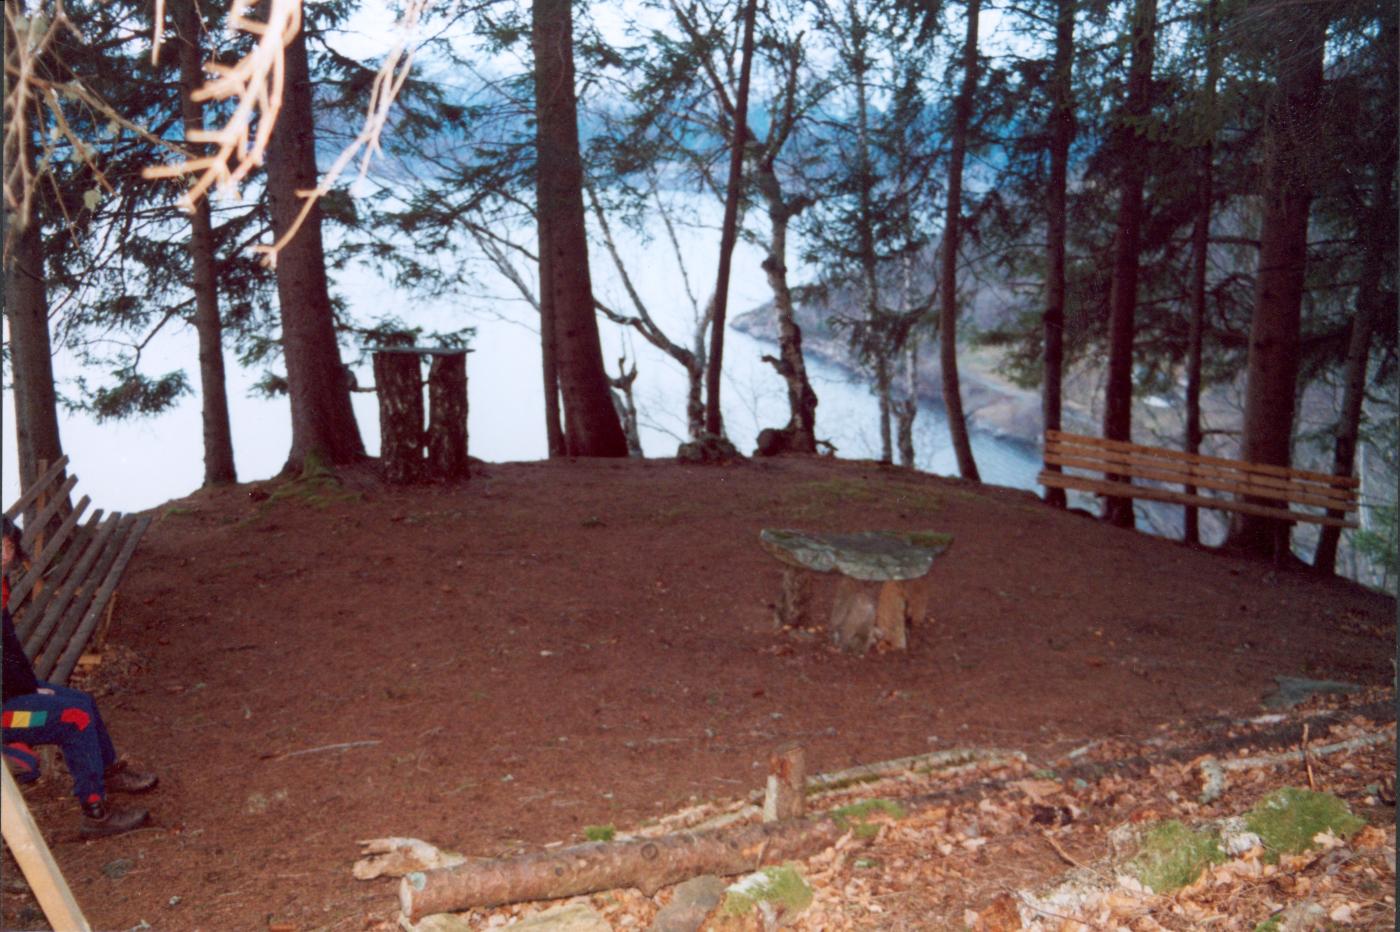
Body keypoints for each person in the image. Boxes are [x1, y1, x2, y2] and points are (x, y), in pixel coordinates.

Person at [2, 515, 158, 838]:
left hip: (7, 694)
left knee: (82, 701)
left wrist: (31, 688)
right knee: (74, 717)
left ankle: (105, 772)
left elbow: (10, 650)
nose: (5, 554)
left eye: (6, 545)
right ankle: (95, 812)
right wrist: (26, 694)